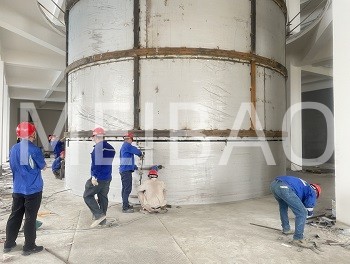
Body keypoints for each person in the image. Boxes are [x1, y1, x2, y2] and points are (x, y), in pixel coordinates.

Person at [3, 122, 47, 256]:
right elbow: (43, 166)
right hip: (32, 189)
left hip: (17, 189)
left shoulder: (14, 148)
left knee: (15, 215)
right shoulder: (34, 149)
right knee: (30, 218)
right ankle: (29, 247)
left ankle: (9, 244)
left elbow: (12, 166)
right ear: (32, 133)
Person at [270, 176, 321, 247]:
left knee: (283, 207)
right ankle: (298, 238)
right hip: (285, 188)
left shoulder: (304, 186)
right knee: (302, 213)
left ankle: (286, 229)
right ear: (316, 193)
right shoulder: (312, 191)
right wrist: (308, 215)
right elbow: (309, 207)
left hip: (274, 185)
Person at [83, 127, 115, 227]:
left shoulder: (98, 148)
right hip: (107, 177)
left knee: (87, 195)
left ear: (95, 136)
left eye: (93, 136)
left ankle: (99, 215)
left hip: (99, 178)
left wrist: (94, 177)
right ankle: (103, 221)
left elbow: (97, 164)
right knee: (103, 197)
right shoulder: (110, 147)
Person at [119, 132, 142, 213]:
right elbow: (137, 151)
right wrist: (141, 153)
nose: (131, 142)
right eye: (131, 140)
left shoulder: (124, 147)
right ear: (129, 139)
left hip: (124, 170)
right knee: (127, 189)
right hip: (126, 171)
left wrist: (135, 167)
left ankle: (126, 204)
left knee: (125, 189)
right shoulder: (127, 145)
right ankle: (125, 208)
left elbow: (127, 160)